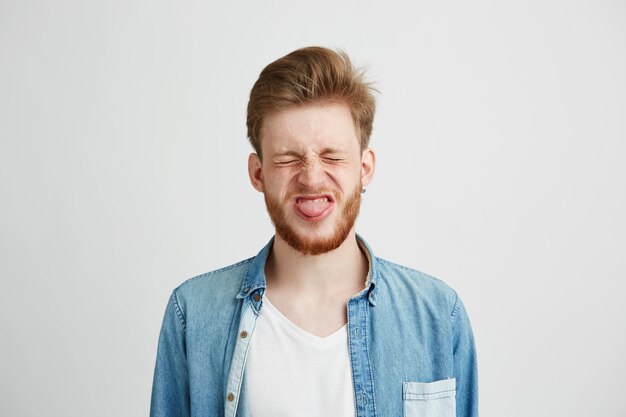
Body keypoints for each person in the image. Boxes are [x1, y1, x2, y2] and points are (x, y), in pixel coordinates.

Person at [150, 46, 478, 417]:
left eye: (332, 156)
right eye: (288, 158)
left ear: (365, 168)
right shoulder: (192, 314)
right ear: (258, 173)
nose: (311, 177)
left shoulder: (437, 315)